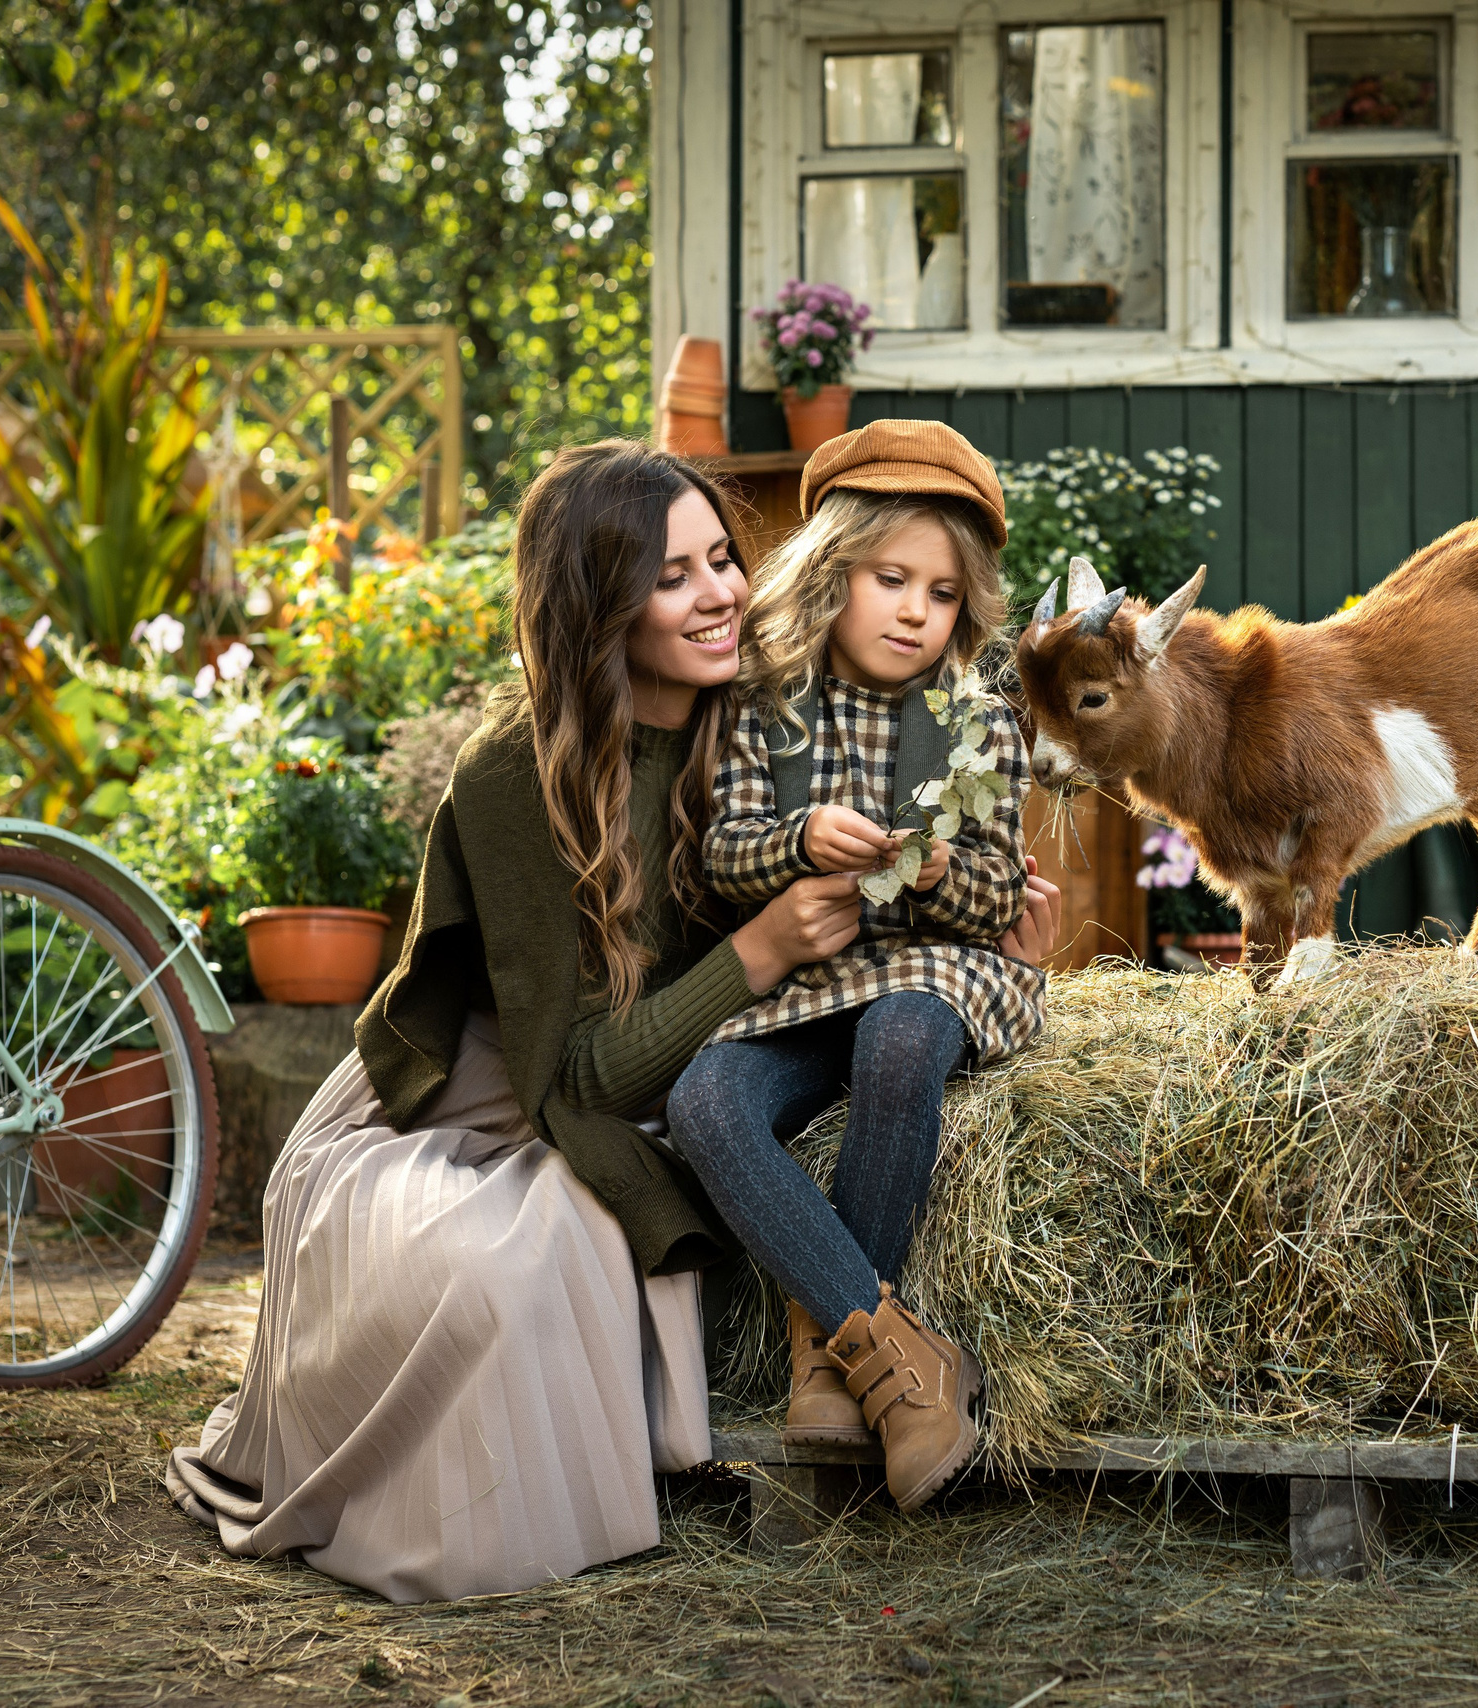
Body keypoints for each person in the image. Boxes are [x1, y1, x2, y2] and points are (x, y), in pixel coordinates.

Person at [164, 438, 1063, 1602]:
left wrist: (995, 941)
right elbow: (577, 1083)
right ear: (601, 607)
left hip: (688, 1049)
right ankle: (862, 1354)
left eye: (723, 561)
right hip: (486, 1101)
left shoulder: (759, 711)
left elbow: (918, 880)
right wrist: (761, 948)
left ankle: (864, 1350)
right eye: (675, 576)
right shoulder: (513, 779)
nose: (722, 594)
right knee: (518, 1268)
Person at [666, 420, 1043, 1515]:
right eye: (892, 578)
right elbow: (722, 852)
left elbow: (995, 894)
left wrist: (923, 873)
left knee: (904, 1037)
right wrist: (799, 844)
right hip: (804, 984)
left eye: (940, 592)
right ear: (834, 570)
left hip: (930, 971)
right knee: (705, 1102)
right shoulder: (763, 705)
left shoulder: (978, 722)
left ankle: (832, 1368)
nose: (916, 609)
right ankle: (897, 1359)